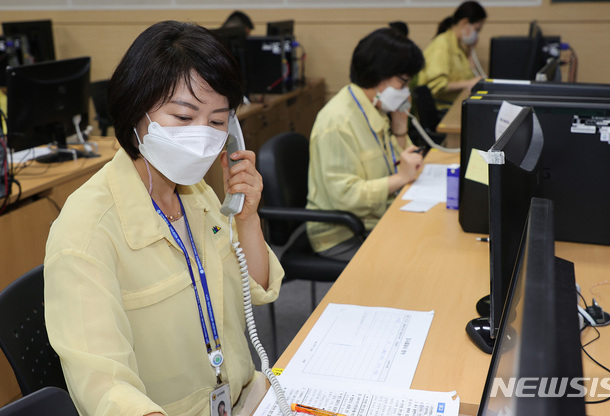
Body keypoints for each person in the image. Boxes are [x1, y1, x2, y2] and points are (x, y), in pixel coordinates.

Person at [43, 21, 284, 416]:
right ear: (137, 111)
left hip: (243, 399)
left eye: (218, 122)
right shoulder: (85, 231)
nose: (203, 136)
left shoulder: (198, 194)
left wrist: (248, 218)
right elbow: (104, 385)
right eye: (184, 117)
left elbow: (255, 288)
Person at [306, 28, 425, 261]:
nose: (405, 91)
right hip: (342, 233)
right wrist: (400, 179)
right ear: (380, 74)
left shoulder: (376, 109)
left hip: (374, 219)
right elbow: (345, 197)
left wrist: (400, 127)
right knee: (417, 258)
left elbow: (404, 163)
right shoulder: (338, 121)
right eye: (403, 82)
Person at [415, 1, 488, 111]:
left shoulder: (458, 46)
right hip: (442, 109)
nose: (477, 35)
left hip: (454, 106)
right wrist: (468, 83)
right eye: (477, 30)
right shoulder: (442, 45)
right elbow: (437, 85)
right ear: (465, 23)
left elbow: (470, 75)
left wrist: (470, 50)